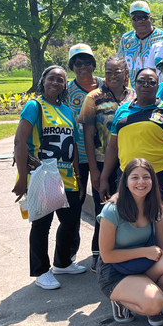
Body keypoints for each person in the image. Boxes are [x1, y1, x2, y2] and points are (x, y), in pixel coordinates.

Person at [12, 65, 85, 290]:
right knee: (42, 224)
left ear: (65, 85)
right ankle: (41, 271)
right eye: (51, 78)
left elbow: (72, 145)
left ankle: (62, 263)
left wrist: (79, 178)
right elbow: (20, 142)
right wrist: (22, 178)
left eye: (60, 80)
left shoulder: (67, 110)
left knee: (71, 222)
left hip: (67, 176)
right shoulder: (35, 106)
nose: (55, 83)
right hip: (42, 175)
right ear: (43, 81)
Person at [97, 158, 163, 326]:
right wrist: (144, 252)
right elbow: (107, 255)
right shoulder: (112, 210)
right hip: (114, 272)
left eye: (146, 177)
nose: (141, 182)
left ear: (153, 180)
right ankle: (121, 300)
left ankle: (146, 293)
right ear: (125, 182)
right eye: (135, 177)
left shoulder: (156, 207)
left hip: (142, 266)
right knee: (155, 304)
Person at [99, 68, 163, 241]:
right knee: (129, 220)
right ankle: (134, 261)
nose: (146, 85)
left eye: (151, 82)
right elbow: (113, 147)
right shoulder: (122, 111)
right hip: (127, 176)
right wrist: (104, 178)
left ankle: (162, 261)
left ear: (157, 86)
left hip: (162, 175)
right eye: (141, 81)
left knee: (161, 220)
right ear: (133, 84)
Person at [79, 54, 135, 272]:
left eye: (117, 71)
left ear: (126, 73)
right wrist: (94, 171)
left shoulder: (134, 95)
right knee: (104, 210)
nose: (113, 76)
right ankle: (99, 254)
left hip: (128, 163)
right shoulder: (93, 98)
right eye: (109, 71)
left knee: (126, 210)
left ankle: (122, 253)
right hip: (103, 162)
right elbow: (87, 137)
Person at [66, 44, 102, 208]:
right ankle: (73, 235)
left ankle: (100, 234)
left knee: (102, 200)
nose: (83, 67)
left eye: (87, 62)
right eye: (78, 64)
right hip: (77, 154)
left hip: (101, 154)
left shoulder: (106, 85)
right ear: (72, 67)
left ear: (94, 64)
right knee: (75, 200)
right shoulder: (66, 90)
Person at [118, 0, 163, 76]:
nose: (140, 21)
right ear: (131, 21)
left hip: (156, 86)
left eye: (144, 17)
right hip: (132, 87)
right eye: (135, 18)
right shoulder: (126, 38)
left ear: (150, 19)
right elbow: (119, 65)